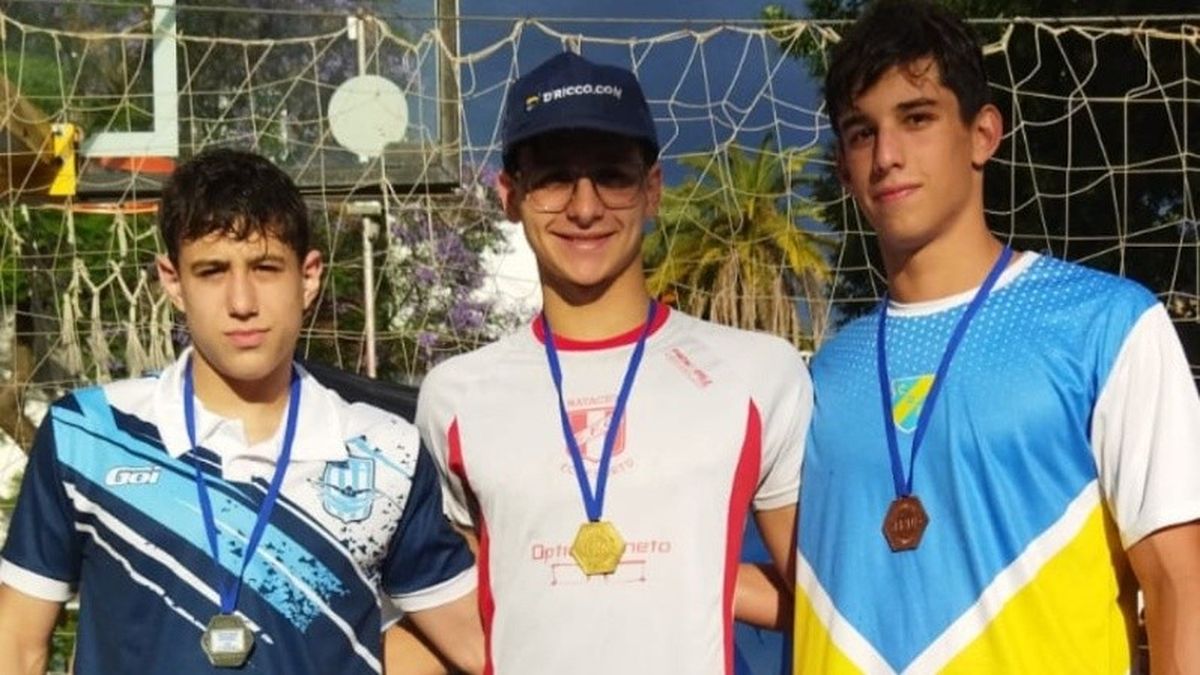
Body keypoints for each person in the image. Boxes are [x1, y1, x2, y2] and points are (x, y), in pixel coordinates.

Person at [793, 1, 1200, 673]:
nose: (887, 156)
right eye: (861, 133)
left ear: (983, 134)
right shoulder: (825, 372)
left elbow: (1180, 582)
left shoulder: (1108, 325)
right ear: (842, 166)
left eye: (916, 118)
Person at [0, 149, 485, 675]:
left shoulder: (386, 448)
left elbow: (476, 645)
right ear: (172, 281)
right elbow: (19, 644)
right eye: (211, 271)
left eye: (265, 267)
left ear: (309, 276)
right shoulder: (87, 434)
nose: (241, 301)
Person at [410, 51, 811, 674]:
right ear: (509, 195)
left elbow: (826, 592)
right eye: (552, 178)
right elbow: (466, 606)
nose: (585, 207)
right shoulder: (454, 395)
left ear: (652, 190)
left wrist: (699, 577)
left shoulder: (760, 374)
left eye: (611, 176)